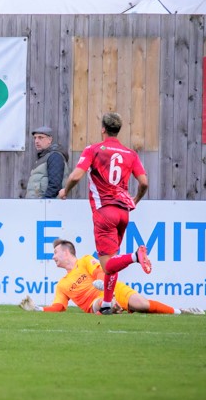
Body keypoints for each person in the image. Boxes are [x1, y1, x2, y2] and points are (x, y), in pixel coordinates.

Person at [58, 112, 151, 315]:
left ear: (103, 129)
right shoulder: (130, 154)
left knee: (107, 264)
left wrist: (66, 190)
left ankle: (136, 255)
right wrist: (135, 199)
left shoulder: (94, 149)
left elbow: (76, 175)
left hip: (104, 212)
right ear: (118, 130)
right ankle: (108, 303)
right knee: (112, 260)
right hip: (123, 212)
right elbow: (144, 182)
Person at [18, 239, 204, 315]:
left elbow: (100, 271)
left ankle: (181, 311)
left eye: (55, 252)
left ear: (67, 252)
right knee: (99, 304)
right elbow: (59, 307)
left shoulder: (85, 260)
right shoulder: (61, 285)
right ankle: (111, 306)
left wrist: (101, 282)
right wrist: (39, 309)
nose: (53, 257)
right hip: (94, 303)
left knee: (143, 305)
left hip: (110, 288)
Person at [25, 126, 68, 199]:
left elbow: (55, 186)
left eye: (40, 137)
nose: (36, 141)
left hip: (46, 207)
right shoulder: (44, 157)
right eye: (35, 138)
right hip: (37, 206)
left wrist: (44, 203)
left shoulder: (55, 156)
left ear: (50, 140)